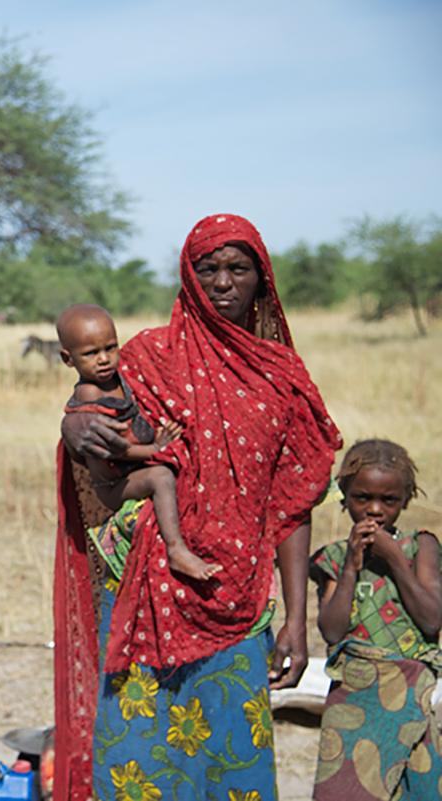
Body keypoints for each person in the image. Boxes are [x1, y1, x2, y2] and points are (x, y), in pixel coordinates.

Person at [54, 214, 343, 801]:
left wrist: (295, 617)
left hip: (234, 594)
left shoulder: (281, 377)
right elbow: (94, 426)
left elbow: (291, 505)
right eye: (207, 268)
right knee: (141, 749)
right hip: (141, 591)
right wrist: (70, 429)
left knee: (230, 752)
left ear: (262, 279)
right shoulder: (145, 358)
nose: (222, 282)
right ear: (188, 276)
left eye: (238, 269)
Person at [311, 439, 442, 800]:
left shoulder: (421, 547)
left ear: (405, 499)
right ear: (344, 494)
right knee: (348, 786)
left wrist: (396, 559)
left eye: (389, 501)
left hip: (411, 694)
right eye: (362, 498)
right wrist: (352, 566)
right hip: (355, 696)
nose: (374, 510)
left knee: (413, 783)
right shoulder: (335, 557)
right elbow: (332, 629)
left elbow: (432, 619)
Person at [56, 303, 218, 581]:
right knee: (161, 477)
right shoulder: (90, 398)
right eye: (91, 353)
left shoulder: (119, 379)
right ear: (67, 359)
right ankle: (176, 549)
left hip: (129, 471)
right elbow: (117, 449)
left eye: (110, 348)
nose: (104, 359)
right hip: (112, 485)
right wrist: (155, 448)